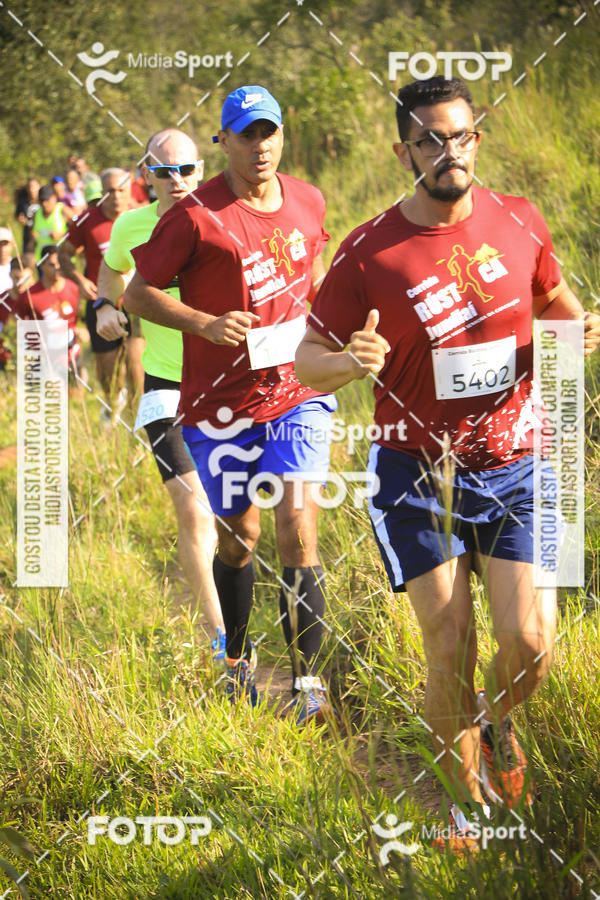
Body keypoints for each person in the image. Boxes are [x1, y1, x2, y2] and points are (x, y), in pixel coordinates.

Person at [295, 75, 600, 842]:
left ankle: (497, 724)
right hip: (413, 474)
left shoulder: (518, 221)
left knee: (531, 646)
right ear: (405, 151)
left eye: (459, 135)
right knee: (450, 644)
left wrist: (581, 332)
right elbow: (306, 361)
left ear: (477, 139)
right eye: (429, 139)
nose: (447, 151)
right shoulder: (367, 254)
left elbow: (558, 305)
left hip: (514, 464)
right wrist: (351, 362)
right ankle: (467, 809)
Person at [125, 85, 336, 722]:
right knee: (239, 538)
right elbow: (138, 294)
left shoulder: (307, 199)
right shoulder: (194, 214)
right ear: (225, 141)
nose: (260, 145)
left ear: (281, 135)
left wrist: (326, 331)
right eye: (246, 134)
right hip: (220, 405)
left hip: (296, 392)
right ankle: (238, 661)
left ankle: (308, 689)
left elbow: (313, 275)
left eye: (268, 131)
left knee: (297, 530)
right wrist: (204, 323)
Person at [94, 128, 225, 657]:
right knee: (193, 511)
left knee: (238, 518)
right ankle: (223, 642)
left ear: (201, 169)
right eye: (164, 171)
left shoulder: (225, 216)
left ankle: (243, 608)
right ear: (145, 174)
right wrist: (106, 307)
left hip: (230, 389)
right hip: (166, 386)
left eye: (186, 170)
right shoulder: (131, 225)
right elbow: (111, 270)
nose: (176, 181)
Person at [59, 168, 144, 409]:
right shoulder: (86, 220)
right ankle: (112, 406)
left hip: (136, 301)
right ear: (102, 193)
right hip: (101, 301)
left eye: (121, 190)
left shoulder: (140, 216)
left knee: (135, 360)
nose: (116, 196)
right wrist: (80, 280)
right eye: (110, 191)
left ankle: (136, 412)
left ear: (128, 192)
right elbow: (64, 255)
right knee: (107, 366)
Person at [11, 245, 81, 370]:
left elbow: (77, 319)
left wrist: (81, 331)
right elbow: (16, 325)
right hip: (45, 362)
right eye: (51, 265)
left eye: (59, 264)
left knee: (76, 389)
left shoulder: (73, 289)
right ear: (42, 265)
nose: (57, 268)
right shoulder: (29, 296)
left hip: (73, 356)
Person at [31, 185, 67, 260]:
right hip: (42, 260)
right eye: (41, 200)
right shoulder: (36, 214)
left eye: (47, 200)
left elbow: (78, 224)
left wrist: (62, 235)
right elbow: (33, 233)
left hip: (60, 260)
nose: (44, 204)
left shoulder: (62, 210)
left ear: (54, 198)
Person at [14, 177, 40, 253]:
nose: (31, 189)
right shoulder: (23, 202)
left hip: (41, 235)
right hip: (28, 236)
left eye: (33, 187)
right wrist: (20, 219)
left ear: (39, 187)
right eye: (29, 187)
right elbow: (17, 215)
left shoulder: (43, 201)